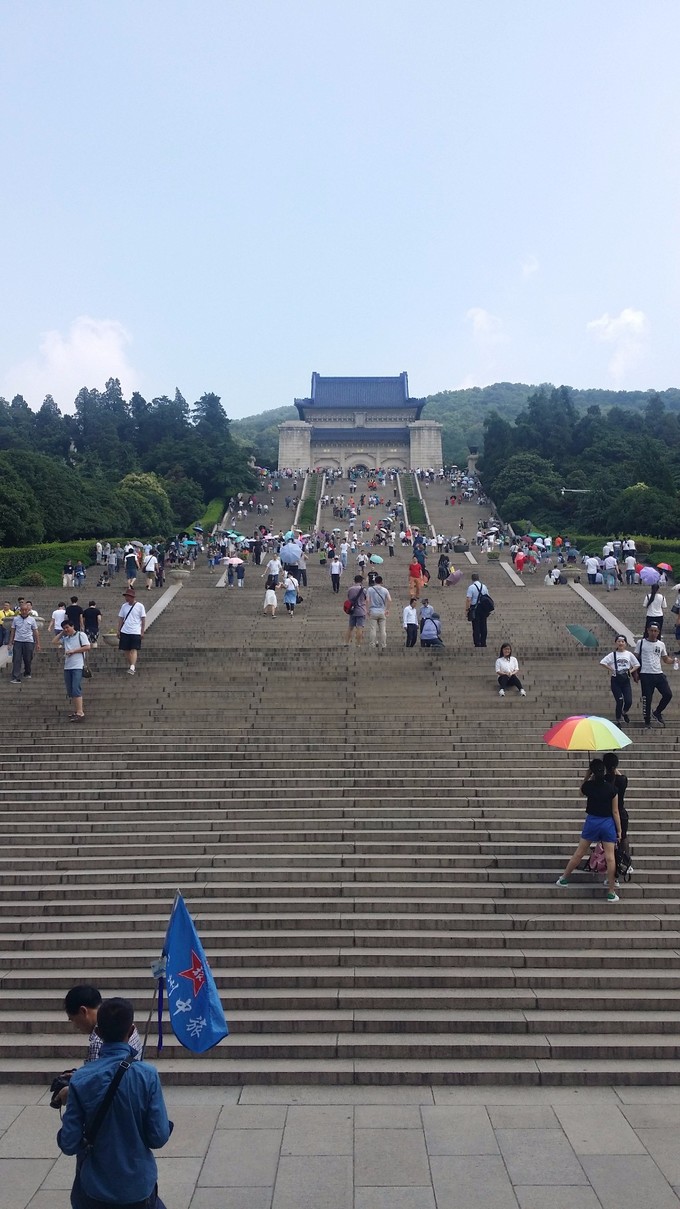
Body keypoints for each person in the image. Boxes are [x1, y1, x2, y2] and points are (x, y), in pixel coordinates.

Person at [58, 997, 171, 1209]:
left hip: (95, 1189)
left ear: (98, 1032)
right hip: (138, 1187)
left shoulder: (81, 1079)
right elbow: (158, 1137)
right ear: (132, 1030)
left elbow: (69, 1144)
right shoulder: (147, 1075)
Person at [556, 758, 622, 902]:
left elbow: (581, 791)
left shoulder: (589, 786)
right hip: (607, 823)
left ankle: (564, 878)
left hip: (592, 821)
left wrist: (587, 776)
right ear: (604, 771)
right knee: (611, 858)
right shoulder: (612, 789)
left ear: (592, 772)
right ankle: (611, 891)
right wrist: (619, 830)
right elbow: (615, 812)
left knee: (579, 852)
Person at [637, 622, 673, 727]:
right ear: (648, 630)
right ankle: (647, 721)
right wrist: (635, 673)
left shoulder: (661, 644)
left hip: (658, 673)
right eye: (651, 630)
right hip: (646, 674)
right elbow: (635, 657)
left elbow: (665, 659)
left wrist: (674, 661)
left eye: (655, 631)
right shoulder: (641, 642)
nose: (653, 633)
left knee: (668, 694)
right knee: (647, 699)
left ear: (658, 632)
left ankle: (657, 712)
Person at [55, 618, 90, 721]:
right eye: (64, 628)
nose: (66, 629)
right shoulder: (66, 638)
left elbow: (87, 647)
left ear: (73, 626)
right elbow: (54, 641)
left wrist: (74, 651)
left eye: (67, 627)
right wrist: (62, 633)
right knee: (71, 690)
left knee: (76, 688)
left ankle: (80, 712)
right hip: (68, 666)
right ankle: (77, 710)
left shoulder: (80, 635)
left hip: (78, 666)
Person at [600, 635, 640, 724]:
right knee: (620, 700)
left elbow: (637, 664)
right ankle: (618, 719)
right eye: (619, 641)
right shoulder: (612, 655)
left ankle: (624, 712)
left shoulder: (629, 654)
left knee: (628, 701)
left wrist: (630, 671)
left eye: (623, 641)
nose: (621, 643)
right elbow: (602, 662)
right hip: (616, 680)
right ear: (616, 643)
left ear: (625, 643)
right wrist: (612, 669)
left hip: (625, 680)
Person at [8, 601, 41, 683]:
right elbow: (13, 631)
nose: (24, 611)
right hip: (18, 641)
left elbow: (35, 631)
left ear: (28, 610)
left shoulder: (32, 620)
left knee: (28, 658)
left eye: (26, 610)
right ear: (20, 610)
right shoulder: (15, 619)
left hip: (29, 641)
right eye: (22, 610)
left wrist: (38, 643)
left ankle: (27, 672)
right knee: (16, 659)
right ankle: (15, 677)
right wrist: (10, 642)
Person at [118, 588, 146, 675]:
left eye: (128, 597)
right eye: (126, 596)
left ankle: (132, 666)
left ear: (132, 597)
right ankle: (132, 666)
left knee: (134, 649)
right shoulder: (124, 606)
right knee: (126, 649)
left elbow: (143, 619)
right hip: (125, 630)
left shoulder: (140, 606)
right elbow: (121, 618)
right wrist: (118, 630)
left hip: (135, 631)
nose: (126, 598)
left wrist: (142, 631)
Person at [465, 574, 492, 648]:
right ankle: (483, 642)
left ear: (472, 579)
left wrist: (467, 609)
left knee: (476, 626)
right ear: (478, 578)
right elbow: (488, 597)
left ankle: (477, 643)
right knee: (484, 625)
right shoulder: (484, 586)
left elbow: (468, 599)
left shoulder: (471, 587)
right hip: (483, 608)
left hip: (475, 608)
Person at [366, 575, 391, 652]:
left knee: (373, 629)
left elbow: (367, 600)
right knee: (383, 630)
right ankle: (383, 644)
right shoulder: (385, 590)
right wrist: (387, 610)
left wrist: (367, 610)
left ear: (375, 581)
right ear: (381, 581)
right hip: (382, 611)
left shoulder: (370, 589)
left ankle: (372, 644)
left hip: (373, 610)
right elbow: (389, 600)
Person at [345, 575, 367, 646]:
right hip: (361, 610)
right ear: (361, 581)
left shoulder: (350, 589)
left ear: (354, 580)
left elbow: (348, 598)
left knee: (350, 627)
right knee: (359, 627)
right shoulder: (363, 590)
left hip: (352, 610)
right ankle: (358, 643)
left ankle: (347, 642)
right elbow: (366, 598)